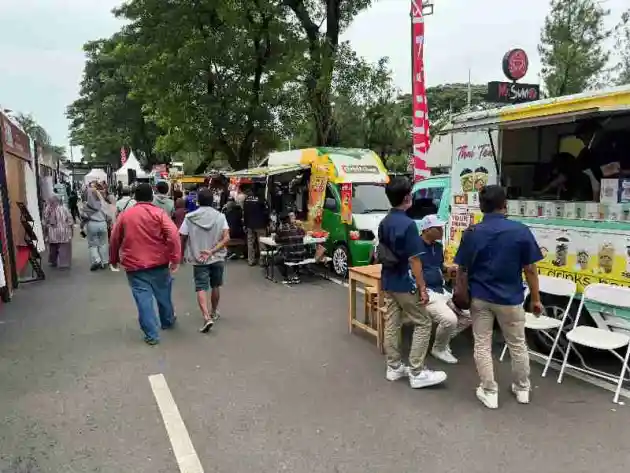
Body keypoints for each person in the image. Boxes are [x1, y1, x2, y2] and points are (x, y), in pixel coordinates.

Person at [455, 185, 543, 409]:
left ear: (482, 207)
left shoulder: (472, 233)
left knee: (482, 344)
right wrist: (535, 298)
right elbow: (530, 269)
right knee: (518, 344)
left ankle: (489, 391)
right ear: (505, 204)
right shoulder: (520, 231)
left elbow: (461, 268)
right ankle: (522, 389)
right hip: (511, 299)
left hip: (480, 298)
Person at [378, 178, 447, 389]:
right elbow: (415, 259)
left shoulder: (385, 221)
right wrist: (423, 288)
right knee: (424, 322)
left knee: (392, 322)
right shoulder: (408, 224)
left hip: (388, 280)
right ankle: (417, 371)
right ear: (407, 198)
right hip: (405, 282)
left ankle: (394, 367)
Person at [109, 183, 181, 345]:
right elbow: (173, 235)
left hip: (135, 266)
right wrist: (175, 258)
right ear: (151, 197)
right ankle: (167, 321)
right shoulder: (159, 213)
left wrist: (113, 259)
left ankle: (152, 334)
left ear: (135, 197)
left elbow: (114, 239)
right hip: (159, 262)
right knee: (163, 294)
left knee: (143, 299)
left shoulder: (126, 215)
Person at [179, 189, 230, 332]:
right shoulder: (220, 216)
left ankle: (207, 317)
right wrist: (213, 251)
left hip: (198, 257)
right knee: (216, 285)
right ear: (212, 200)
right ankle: (214, 311)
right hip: (217, 257)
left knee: (201, 287)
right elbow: (227, 238)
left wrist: (181, 254)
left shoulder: (189, 217)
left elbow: (182, 236)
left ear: (198, 201)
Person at [81, 184, 112, 271]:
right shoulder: (104, 204)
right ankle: (104, 261)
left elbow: (83, 216)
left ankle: (97, 260)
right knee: (103, 244)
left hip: (92, 224)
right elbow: (109, 216)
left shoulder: (87, 205)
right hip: (103, 224)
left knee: (93, 245)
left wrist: (82, 227)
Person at [275, 211, 306, 284]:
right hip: (301, 255)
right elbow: (304, 233)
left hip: (290, 256)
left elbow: (277, 240)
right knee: (293, 250)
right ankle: (295, 275)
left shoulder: (282, 228)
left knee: (277, 259)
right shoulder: (298, 227)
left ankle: (287, 276)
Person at [43, 195, 74, 269]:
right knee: (64, 247)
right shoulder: (64, 208)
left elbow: (44, 221)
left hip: (52, 232)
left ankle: (53, 262)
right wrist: (70, 228)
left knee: (53, 247)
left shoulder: (47, 209)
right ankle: (64, 263)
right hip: (63, 231)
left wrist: (46, 229)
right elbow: (70, 220)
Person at [243, 184, 269, 266]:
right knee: (262, 243)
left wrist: (245, 224)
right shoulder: (261, 199)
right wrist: (267, 222)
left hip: (250, 225)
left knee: (250, 243)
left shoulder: (247, 199)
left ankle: (251, 260)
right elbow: (266, 212)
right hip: (260, 225)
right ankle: (262, 261)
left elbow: (245, 213)